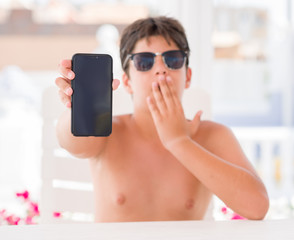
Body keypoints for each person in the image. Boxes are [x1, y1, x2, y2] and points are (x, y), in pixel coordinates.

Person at [55, 16, 269, 222]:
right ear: (127, 82)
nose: (160, 69)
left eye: (173, 59)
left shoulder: (211, 135)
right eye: (144, 61)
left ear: (188, 76)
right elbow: (70, 139)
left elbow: (257, 206)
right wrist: (78, 107)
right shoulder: (107, 131)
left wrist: (179, 141)